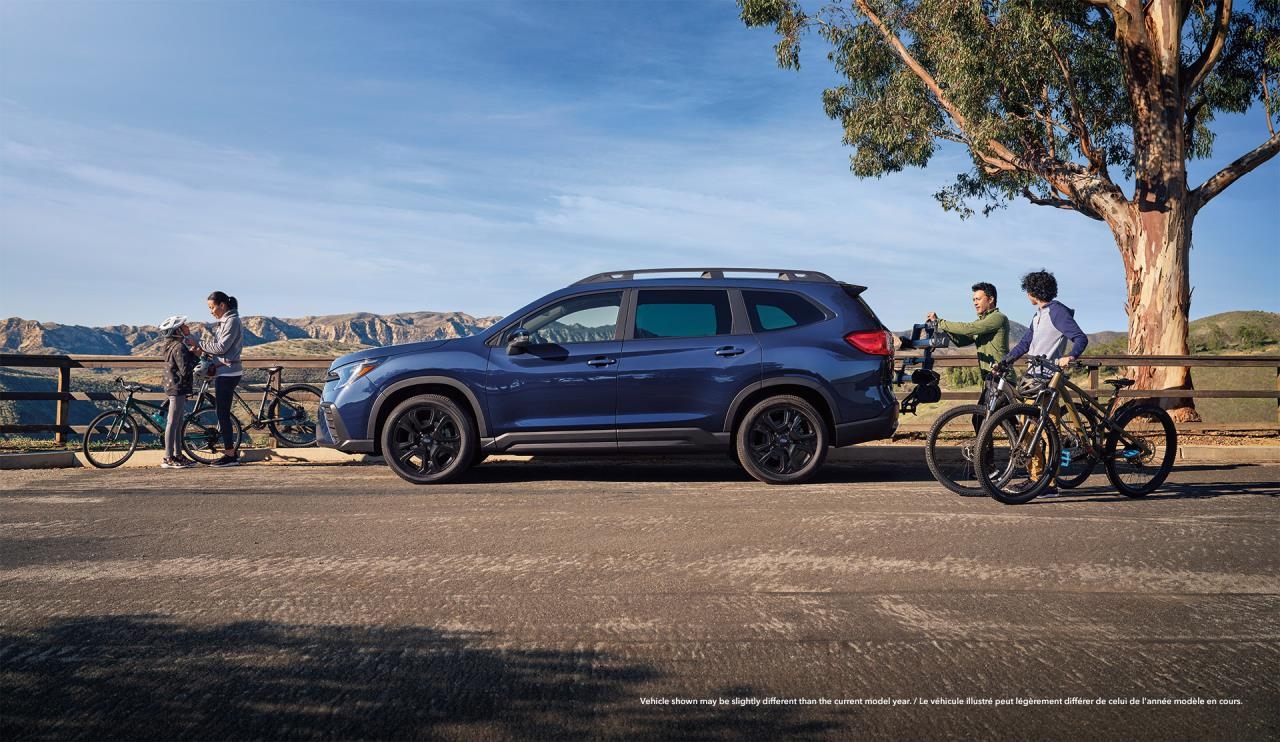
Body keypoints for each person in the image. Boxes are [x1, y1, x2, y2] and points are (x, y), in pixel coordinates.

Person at [997, 270, 1089, 495]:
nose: (1026, 295)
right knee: (1028, 429)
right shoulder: (1039, 315)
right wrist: (1005, 361)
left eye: (1027, 291)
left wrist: (1071, 356)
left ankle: (1047, 483)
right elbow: (1025, 344)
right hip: (1033, 378)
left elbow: (1080, 338)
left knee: (1048, 431)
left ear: (1033, 292)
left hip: (1049, 380)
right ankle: (1036, 478)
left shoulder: (1057, 312)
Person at [927, 281, 1011, 403]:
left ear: (991, 299)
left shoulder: (997, 318)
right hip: (991, 378)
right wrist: (944, 328)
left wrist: (940, 322)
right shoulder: (983, 321)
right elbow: (961, 341)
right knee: (996, 419)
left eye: (978, 299)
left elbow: (968, 328)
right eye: (973, 300)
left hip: (1002, 378)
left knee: (982, 419)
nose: (975, 303)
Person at [186, 291, 244, 467]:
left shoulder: (232, 321)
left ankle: (230, 455)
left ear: (222, 306)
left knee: (222, 414)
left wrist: (198, 343)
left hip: (228, 372)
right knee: (222, 413)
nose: (210, 311)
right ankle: (229, 452)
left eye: (211, 307)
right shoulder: (226, 321)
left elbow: (221, 347)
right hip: (224, 371)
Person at [159, 315, 197, 469]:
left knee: (178, 423)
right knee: (173, 423)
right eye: (183, 326)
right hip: (178, 388)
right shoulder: (179, 347)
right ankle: (169, 457)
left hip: (172, 386)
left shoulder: (169, 345)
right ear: (177, 331)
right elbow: (185, 370)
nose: (186, 327)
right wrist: (195, 355)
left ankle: (178, 455)